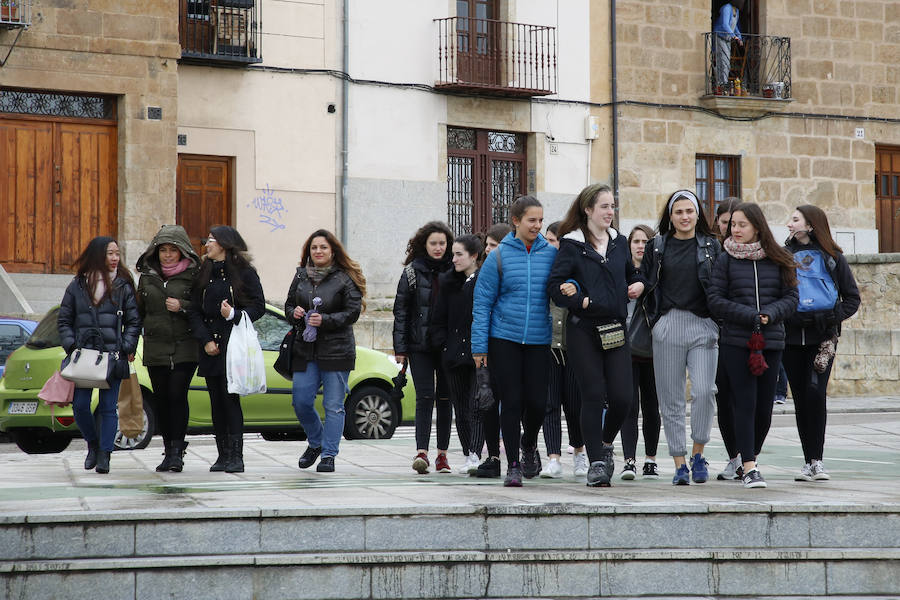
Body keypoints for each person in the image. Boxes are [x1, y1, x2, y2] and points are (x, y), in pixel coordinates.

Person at [548, 184, 644, 487]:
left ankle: (603, 442)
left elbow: (632, 273)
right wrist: (581, 301)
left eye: (612, 206)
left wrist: (639, 284)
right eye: (604, 206)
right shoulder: (571, 244)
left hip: (615, 327)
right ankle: (597, 463)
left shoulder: (619, 241)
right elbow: (555, 286)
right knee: (591, 394)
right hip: (584, 330)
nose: (610, 212)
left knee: (622, 397)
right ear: (588, 210)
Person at [708, 202, 798, 489]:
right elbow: (715, 299)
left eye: (741, 225)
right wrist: (748, 315)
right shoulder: (725, 259)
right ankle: (749, 467)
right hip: (736, 341)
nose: (735, 230)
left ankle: (751, 456)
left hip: (770, 342)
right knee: (744, 402)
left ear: (757, 226)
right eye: (733, 224)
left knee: (763, 409)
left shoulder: (779, 258)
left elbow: (792, 298)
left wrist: (770, 314)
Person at [472, 196, 556, 487]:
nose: (537, 225)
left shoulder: (551, 254)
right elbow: (482, 304)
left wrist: (576, 286)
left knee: (536, 403)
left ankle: (529, 442)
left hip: (538, 340)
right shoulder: (499, 256)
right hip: (503, 339)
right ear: (516, 221)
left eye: (540, 220)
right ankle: (513, 465)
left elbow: (563, 283)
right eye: (532, 220)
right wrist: (479, 348)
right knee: (511, 402)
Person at [641, 189, 722, 485]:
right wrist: (657, 322)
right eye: (679, 212)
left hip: (703, 326)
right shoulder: (657, 246)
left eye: (690, 211)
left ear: (698, 213)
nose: (685, 217)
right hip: (668, 325)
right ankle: (679, 463)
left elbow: (720, 286)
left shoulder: (713, 246)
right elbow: (646, 282)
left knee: (704, 392)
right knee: (671, 399)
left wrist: (716, 323)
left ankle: (698, 452)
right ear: (670, 216)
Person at [783, 205, 860, 482]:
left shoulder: (833, 258)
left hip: (822, 339)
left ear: (811, 225)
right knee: (801, 398)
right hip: (791, 338)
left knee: (816, 394)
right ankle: (808, 460)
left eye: (794, 220)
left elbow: (852, 298)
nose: (789, 224)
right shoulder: (784, 255)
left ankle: (818, 460)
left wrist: (831, 317)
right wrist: (790, 316)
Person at [58, 236, 141, 474]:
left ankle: (105, 454)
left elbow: (134, 321)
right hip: (84, 357)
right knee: (81, 406)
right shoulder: (78, 285)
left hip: (112, 357)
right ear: (97, 255)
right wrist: (71, 345)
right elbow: (64, 320)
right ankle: (92, 444)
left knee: (108, 408)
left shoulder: (124, 284)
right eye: (109, 253)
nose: (115, 258)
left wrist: (126, 345)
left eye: (117, 253)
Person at [286, 229, 365, 473]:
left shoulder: (343, 278)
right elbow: (289, 304)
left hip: (337, 350)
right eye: (314, 248)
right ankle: (316, 441)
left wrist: (326, 319)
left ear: (333, 251)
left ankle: (329, 454)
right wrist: (295, 313)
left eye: (323, 247)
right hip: (305, 349)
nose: (318, 251)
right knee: (300, 401)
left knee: (334, 405)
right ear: (308, 252)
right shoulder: (300, 276)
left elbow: (353, 311)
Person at [188, 226, 265, 474]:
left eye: (210, 240)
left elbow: (259, 306)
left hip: (233, 346)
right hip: (210, 346)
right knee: (215, 402)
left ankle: (236, 456)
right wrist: (205, 340)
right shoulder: (204, 271)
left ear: (224, 244)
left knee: (230, 400)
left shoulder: (244, 273)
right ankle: (222, 454)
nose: (206, 245)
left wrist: (235, 314)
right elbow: (194, 310)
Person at [136, 225, 201, 472]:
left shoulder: (195, 276)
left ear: (182, 251)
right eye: (163, 250)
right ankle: (169, 450)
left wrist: (182, 306)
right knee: (162, 399)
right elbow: (139, 313)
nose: (167, 255)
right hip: (156, 347)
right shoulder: (148, 277)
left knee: (177, 395)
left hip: (185, 346)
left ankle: (177, 451)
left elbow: (203, 307)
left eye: (173, 250)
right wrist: (130, 344)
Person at [393, 221, 455, 474]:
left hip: (448, 345)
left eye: (442, 243)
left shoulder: (455, 269)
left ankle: (443, 455)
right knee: (424, 397)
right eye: (434, 243)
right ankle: (422, 453)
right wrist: (400, 347)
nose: (438, 248)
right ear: (424, 245)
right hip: (420, 346)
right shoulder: (411, 272)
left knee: (445, 399)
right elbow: (401, 311)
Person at [432, 234, 485, 474]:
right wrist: (444, 345)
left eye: (459, 254)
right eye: (453, 254)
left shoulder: (483, 281)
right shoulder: (448, 283)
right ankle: (468, 454)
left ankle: (476, 452)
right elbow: (438, 318)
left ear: (474, 256)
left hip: (477, 353)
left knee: (477, 405)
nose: (453, 259)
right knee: (461, 408)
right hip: (453, 354)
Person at [540, 221, 587, 479]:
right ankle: (553, 458)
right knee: (549, 403)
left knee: (574, 403)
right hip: (547, 344)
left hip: (574, 346)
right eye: (548, 239)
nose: (552, 245)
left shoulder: (578, 267)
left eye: (556, 240)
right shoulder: (542, 268)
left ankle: (580, 453)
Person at [619, 224, 661, 480]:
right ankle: (629, 460)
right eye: (635, 241)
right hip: (625, 348)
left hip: (654, 349)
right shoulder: (620, 273)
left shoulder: (657, 275)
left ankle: (651, 460)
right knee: (628, 406)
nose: (640, 245)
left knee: (652, 406)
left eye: (645, 241)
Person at [713, 197, 744, 481]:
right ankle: (733, 456)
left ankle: (747, 457)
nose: (730, 228)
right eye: (725, 223)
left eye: (735, 223)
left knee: (744, 400)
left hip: (744, 333)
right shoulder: (712, 251)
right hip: (718, 333)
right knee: (724, 398)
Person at [713, 0, 745, 92]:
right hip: (720, 36)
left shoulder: (736, 11)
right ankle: (722, 84)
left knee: (726, 61)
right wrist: (733, 36)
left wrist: (739, 37)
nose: (742, 3)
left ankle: (723, 83)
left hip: (727, 38)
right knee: (723, 60)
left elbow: (735, 27)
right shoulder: (727, 8)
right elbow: (725, 24)